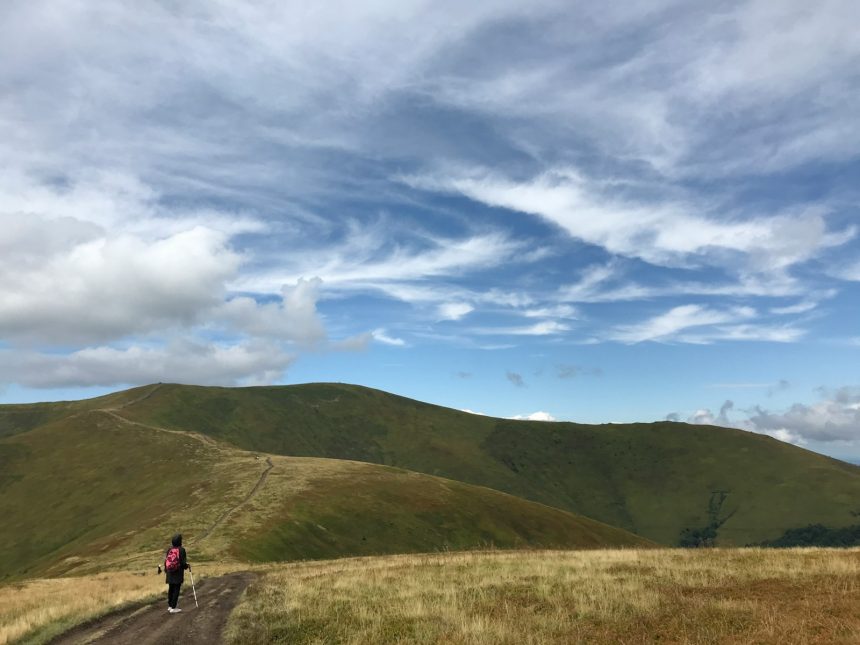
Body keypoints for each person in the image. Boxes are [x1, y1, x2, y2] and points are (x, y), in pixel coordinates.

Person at [165, 533, 190, 614]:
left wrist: (166, 570)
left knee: (171, 588)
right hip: (177, 573)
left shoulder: (169, 549)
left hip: (169, 572)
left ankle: (169, 606)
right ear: (180, 541)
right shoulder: (181, 550)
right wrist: (187, 566)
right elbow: (183, 563)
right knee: (176, 589)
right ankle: (173, 607)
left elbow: (166, 561)